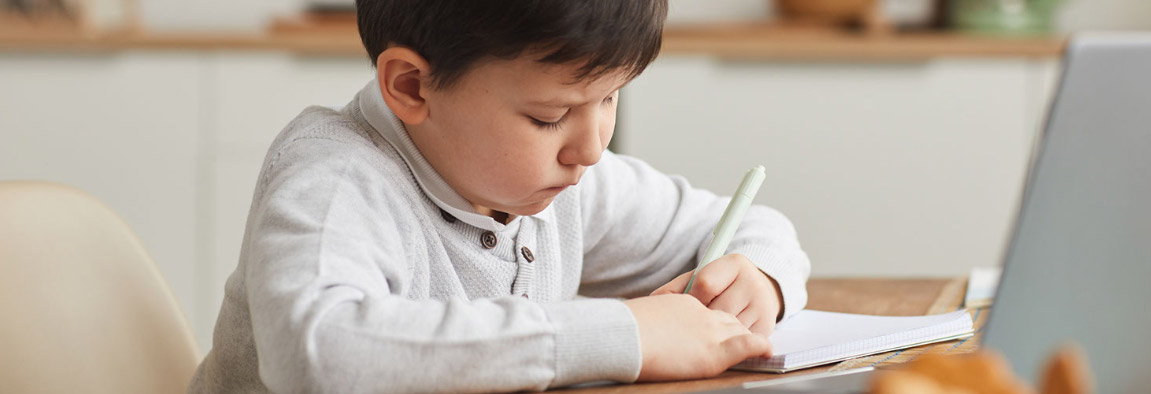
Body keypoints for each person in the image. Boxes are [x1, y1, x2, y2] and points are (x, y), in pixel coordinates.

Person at [188, 1, 811, 392]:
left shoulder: (561, 180)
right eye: (549, 116)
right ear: (412, 85)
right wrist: (623, 335)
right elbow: (318, 353)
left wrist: (758, 279)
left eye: (612, 98)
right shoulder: (339, 178)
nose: (592, 148)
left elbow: (747, 223)